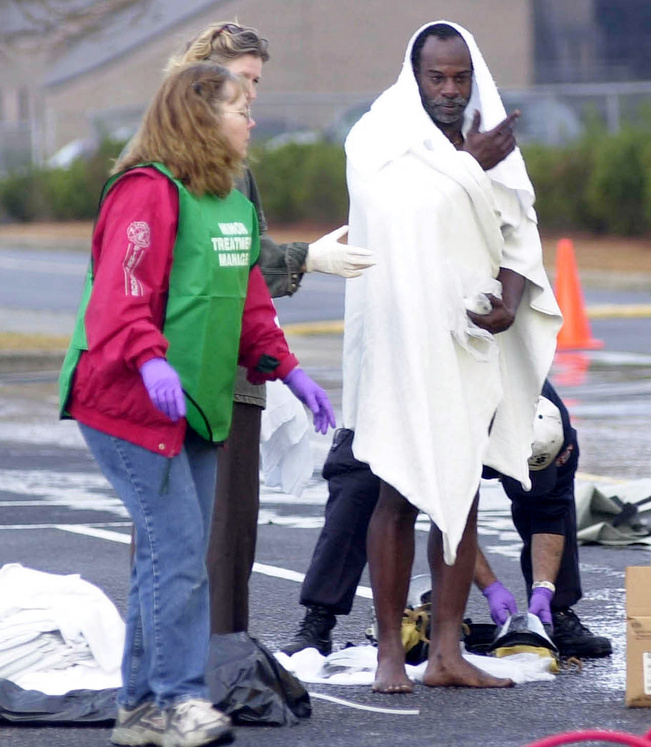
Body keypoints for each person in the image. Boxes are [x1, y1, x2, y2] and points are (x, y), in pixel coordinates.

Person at [57, 62, 335, 747]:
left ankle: (140, 708)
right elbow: (120, 294)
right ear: (198, 119)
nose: (252, 119)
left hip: (197, 409)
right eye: (240, 106)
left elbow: (250, 307)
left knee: (172, 553)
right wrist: (149, 358)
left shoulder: (234, 205)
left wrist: (290, 371)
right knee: (179, 552)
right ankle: (178, 700)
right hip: (124, 403)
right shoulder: (146, 192)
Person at [342, 20, 562, 692]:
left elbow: (517, 231)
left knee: (460, 492)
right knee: (397, 488)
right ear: (414, 76)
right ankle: (388, 653)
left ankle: (446, 651)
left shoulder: (489, 138)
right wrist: (470, 166)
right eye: (437, 76)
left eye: (460, 76)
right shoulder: (376, 138)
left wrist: (509, 299)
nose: (449, 88)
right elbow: (395, 218)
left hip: (468, 340)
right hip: (399, 334)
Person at [165, 21, 374, 636]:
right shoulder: (171, 167)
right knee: (190, 535)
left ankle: (223, 661)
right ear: (204, 79)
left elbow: (249, 282)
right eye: (244, 81)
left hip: (239, 372)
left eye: (258, 82)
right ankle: (182, 672)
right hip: (189, 378)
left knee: (233, 537)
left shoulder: (236, 167)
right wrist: (304, 258)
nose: (254, 96)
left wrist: (286, 367)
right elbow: (222, 266)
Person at [281, 381, 612, 660]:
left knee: (551, 494)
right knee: (358, 488)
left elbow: (550, 511)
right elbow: (449, 513)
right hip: (401, 408)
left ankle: (556, 612)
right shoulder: (453, 425)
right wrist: (492, 587)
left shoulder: (554, 429)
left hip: (491, 404)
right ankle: (318, 621)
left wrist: (545, 587)